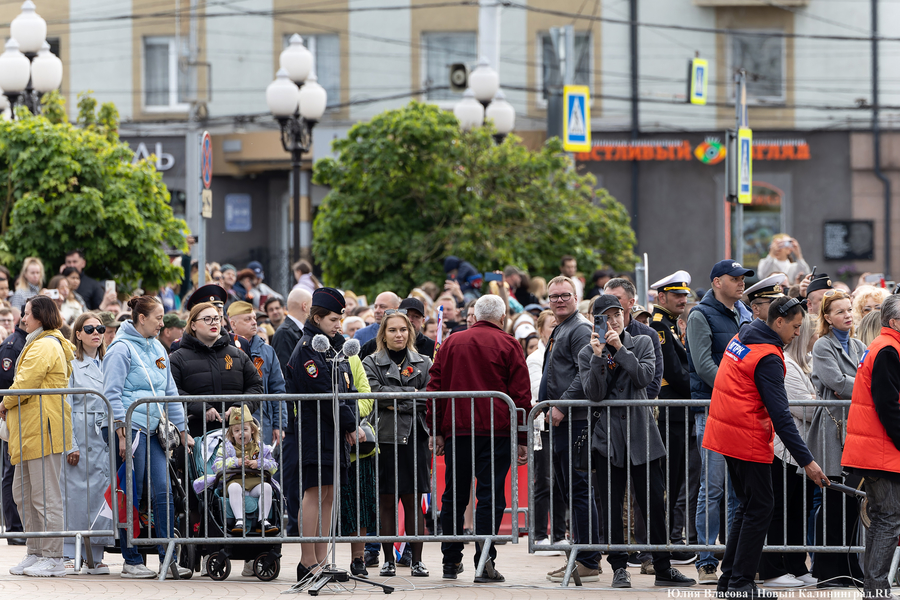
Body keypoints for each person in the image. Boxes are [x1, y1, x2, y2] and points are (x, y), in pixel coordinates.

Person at [703, 296, 827, 599]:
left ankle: (730, 579)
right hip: (746, 437)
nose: (798, 333)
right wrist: (808, 461)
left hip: (725, 434)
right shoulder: (768, 356)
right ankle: (741, 583)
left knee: (748, 506)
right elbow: (782, 416)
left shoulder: (743, 334)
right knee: (760, 508)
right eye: (796, 327)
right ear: (779, 322)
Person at [578, 294, 696, 588]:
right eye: (606, 316)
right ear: (596, 321)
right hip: (608, 439)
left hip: (642, 435)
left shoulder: (642, 342)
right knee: (611, 505)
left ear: (625, 315)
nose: (613, 320)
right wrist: (597, 358)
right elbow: (593, 393)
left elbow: (645, 378)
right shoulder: (586, 353)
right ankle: (619, 567)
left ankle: (663, 566)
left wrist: (619, 349)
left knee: (655, 502)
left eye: (617, 314)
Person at [426, 294, 531, 583]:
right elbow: (521, 395)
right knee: (490, 497)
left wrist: (435, 428)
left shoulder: (451, 342)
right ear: (501, 316)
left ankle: (450, 561)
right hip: (495, 430)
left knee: (454, 496)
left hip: (458, 429)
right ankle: (484, 562)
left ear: (475, 314)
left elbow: (434, 387)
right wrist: (523, 436)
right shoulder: (509, 344)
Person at [103, 295, 192, 579]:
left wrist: (182, 430)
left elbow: (170, 392)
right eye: (158, 318)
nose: (162, 323)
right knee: (133, 493)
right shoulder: (120, 348)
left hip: (154, 430)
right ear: (142, 318)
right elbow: (111, 393)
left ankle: (169, 557)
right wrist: (120, 431)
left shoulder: (157, 347)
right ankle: (131, 559)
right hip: (132, 429)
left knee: (164, 491)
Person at [284, 288, 361, 581]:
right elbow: (324, 395)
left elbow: (347, 390)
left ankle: (322, 559)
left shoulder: (333, 348)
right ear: (316, 317)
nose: (338, 324)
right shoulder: (308, 348)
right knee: (314, 493)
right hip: (314, 431)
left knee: (328, 495)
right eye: (332, 319)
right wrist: (350, 425)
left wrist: (350, 421)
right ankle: (307, 561)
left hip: (332, 431)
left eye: (340, 318)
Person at [686, 259, 753, 584]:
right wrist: (738, 388)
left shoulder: (744, 314)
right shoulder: (701, 314)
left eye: (743, 278)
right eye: (734, 278)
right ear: (716, 282)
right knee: (712, 488)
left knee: (734, 490)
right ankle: (706, 559)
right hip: (712, 409)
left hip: (738, 410)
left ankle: (733, 558)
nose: (741, 283)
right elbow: (702, 364)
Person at [1, 296, 75, 578]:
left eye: (27, 313)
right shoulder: (37, 341)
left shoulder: (44, 344)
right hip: (29, 430)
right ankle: (35, 552)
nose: (22, 318)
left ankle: (54, 556)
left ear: (41, 316)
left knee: (45, 497)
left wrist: (2, 403)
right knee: (24, 495)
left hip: (43, 428)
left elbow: (24, 384)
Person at [363, 310, 432, 578]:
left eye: (403, 329)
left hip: (415, 436)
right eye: (392, 330)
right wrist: (409, 395)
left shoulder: (424, 362)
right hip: (384, 438)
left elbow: (427, 397)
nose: (398, 334)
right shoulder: (371, 361)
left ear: (410, 332)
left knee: (414, 499)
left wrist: (398, 399)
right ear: (383, 334)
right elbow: (375, 393)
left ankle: (416, 560)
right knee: (387, 501)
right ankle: (389, 560)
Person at [541, 275, 601, 582]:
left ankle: (588, 559)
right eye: (554, 297)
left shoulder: (578, 328)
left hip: (575, 421)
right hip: (562, 422)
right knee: (571, 490)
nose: (560, 300)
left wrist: (562, 405)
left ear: (576, 298)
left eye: (565, 295)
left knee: (578, 490)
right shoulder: (562, 327)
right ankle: (581, 556)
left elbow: (585, 372)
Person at [841, 295, 900, 599]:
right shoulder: (888, 349)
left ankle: (874, 587)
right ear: (895, 322)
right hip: (883, 450)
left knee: (881, 520)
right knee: (888, 520)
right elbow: (888, 405)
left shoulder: (882, 346)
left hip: (877, 449)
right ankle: (877, 589)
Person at [807, 289, 866, 587]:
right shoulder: (823, 346)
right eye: (841, 311)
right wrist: (869, 388)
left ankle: (849, 566)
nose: (848, 316)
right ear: (827, 317)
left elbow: (858, 380)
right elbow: (837, 382)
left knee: (853, 501)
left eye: (849, 310)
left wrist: (864, 385)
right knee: (832, 501)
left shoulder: (858, 345)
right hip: (832, 430)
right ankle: (827, 570)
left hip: (855, 429)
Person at [758, 313, 818, 588]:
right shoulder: (788, 365)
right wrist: (822, 400)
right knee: (779, 511)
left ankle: (794, 564)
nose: (813, 337)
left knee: (797, 511)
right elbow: (802, 408)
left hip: (800, 451)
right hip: (783, 451)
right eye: (807, 331)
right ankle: (772, 569)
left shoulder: (802, 364)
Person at [649, 271, 696, 561]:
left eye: (684, 295)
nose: (683, 299)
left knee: (675, 480)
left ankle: (669, 539)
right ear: (661, 297)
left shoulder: (668, 324)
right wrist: (701, 389)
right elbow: (676, 374)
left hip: (677, 411)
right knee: (668, 481)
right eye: (676, 295)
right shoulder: (660, 326)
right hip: (671, 410)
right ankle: (665, 542)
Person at [60, 313, 112, 574]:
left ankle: (97, 555)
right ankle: (71, 553)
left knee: (100, 496)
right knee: (76, 496)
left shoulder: (109, 362)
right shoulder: (71, 364)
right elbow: (65, 407)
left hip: (104, 439)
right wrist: (71, 444)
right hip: (81, 436)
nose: (96, 332)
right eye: (89, 328)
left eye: (100, 328)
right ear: (78, 334)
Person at [170, 302, 262, 440]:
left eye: (217, 318)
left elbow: (256, 386)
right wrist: (202, 408)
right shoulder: (178, 358)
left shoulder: (238, 354)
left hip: (236, 435)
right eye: (207, 319)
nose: (214, 323)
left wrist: (240, 407)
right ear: (193, 325)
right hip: (194, 433)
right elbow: (172, 392)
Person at [525, 310, 563, 555]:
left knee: (560, 481)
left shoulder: (560, 353)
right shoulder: (535, 357)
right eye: (551, 325)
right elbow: (539, 392)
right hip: (543, 426)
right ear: (540, 331)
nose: (555, 329)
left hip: (560, 423)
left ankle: (559, 536)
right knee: (544, 481)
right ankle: (540, 535)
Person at [211, 406, 278, 536]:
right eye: (236, 430)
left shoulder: (260, 447)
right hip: (235, 483)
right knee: (235, 487)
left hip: (254, 484)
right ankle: (239, 520)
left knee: (267, 487)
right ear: (231, 434)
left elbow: (274, 466)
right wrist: (236, 462)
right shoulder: (227, 448)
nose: (241, 433)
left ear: (252, 430)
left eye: (245, 429)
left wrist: (258, 463)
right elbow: (217, 466)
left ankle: (263, 521)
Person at [227, 301, 287, 446]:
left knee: (262, 467)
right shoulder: (223, 350)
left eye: (254, 318)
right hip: (232, 424)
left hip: (262, 421)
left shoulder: (267, 351)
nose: (254, 323)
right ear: (233, 324)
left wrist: (279, 425)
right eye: (248, 319)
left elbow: (277, 388)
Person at [0, 310, 26, 546]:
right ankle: (14, 527)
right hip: (12, 415)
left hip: (24, 417)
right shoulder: (12, 345)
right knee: (11, 471)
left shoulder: (28, 341)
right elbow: (8, 382)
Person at [359, 297, 436, 360]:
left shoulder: (432, 347)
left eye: (416, 316)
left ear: (423, 321)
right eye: (407, 315)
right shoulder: (373, 346)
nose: (410, 320)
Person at [271, 288, 312, 379]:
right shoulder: (284, 333)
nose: (312, 309)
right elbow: (285, 371)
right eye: (311, 305)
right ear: (304, 306)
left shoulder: (296, 330)